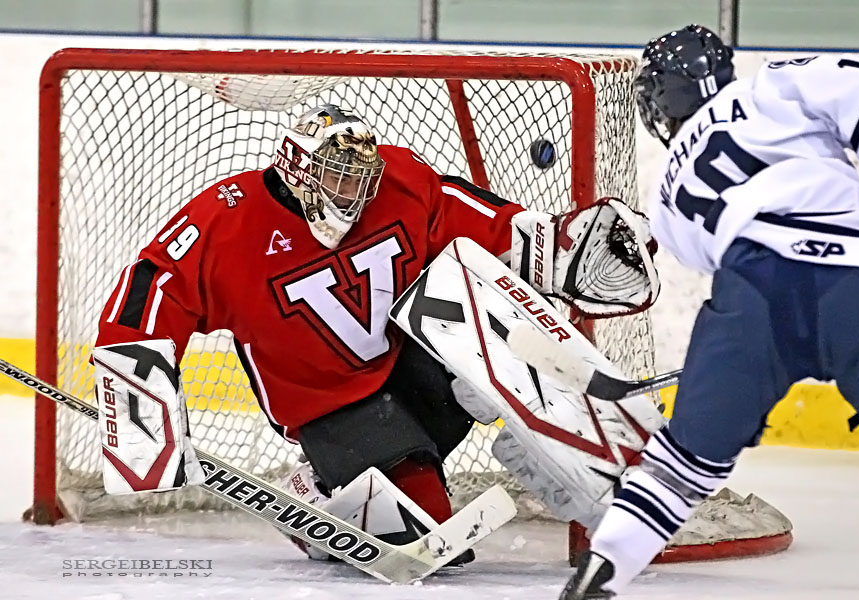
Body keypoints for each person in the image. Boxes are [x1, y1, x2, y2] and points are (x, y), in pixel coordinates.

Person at [89, 104, 658, 563]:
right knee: (422, 535)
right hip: (330, 407)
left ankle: (593, 465)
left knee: (489, 318)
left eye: (363, 178)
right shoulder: (225, 220)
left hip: (415, 365)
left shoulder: (402, 182)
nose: (355, 194)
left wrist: (564, 249)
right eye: (339, 179)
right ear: (299, 169)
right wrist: (137, 389)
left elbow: (481, 223)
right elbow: (151, 288)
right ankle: (316, 496)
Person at [561, 24, 859, 599]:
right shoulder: (773, 86)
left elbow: (705, 253)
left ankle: (604, 570)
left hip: (753, 296)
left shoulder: (668, 192)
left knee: (680, 464)